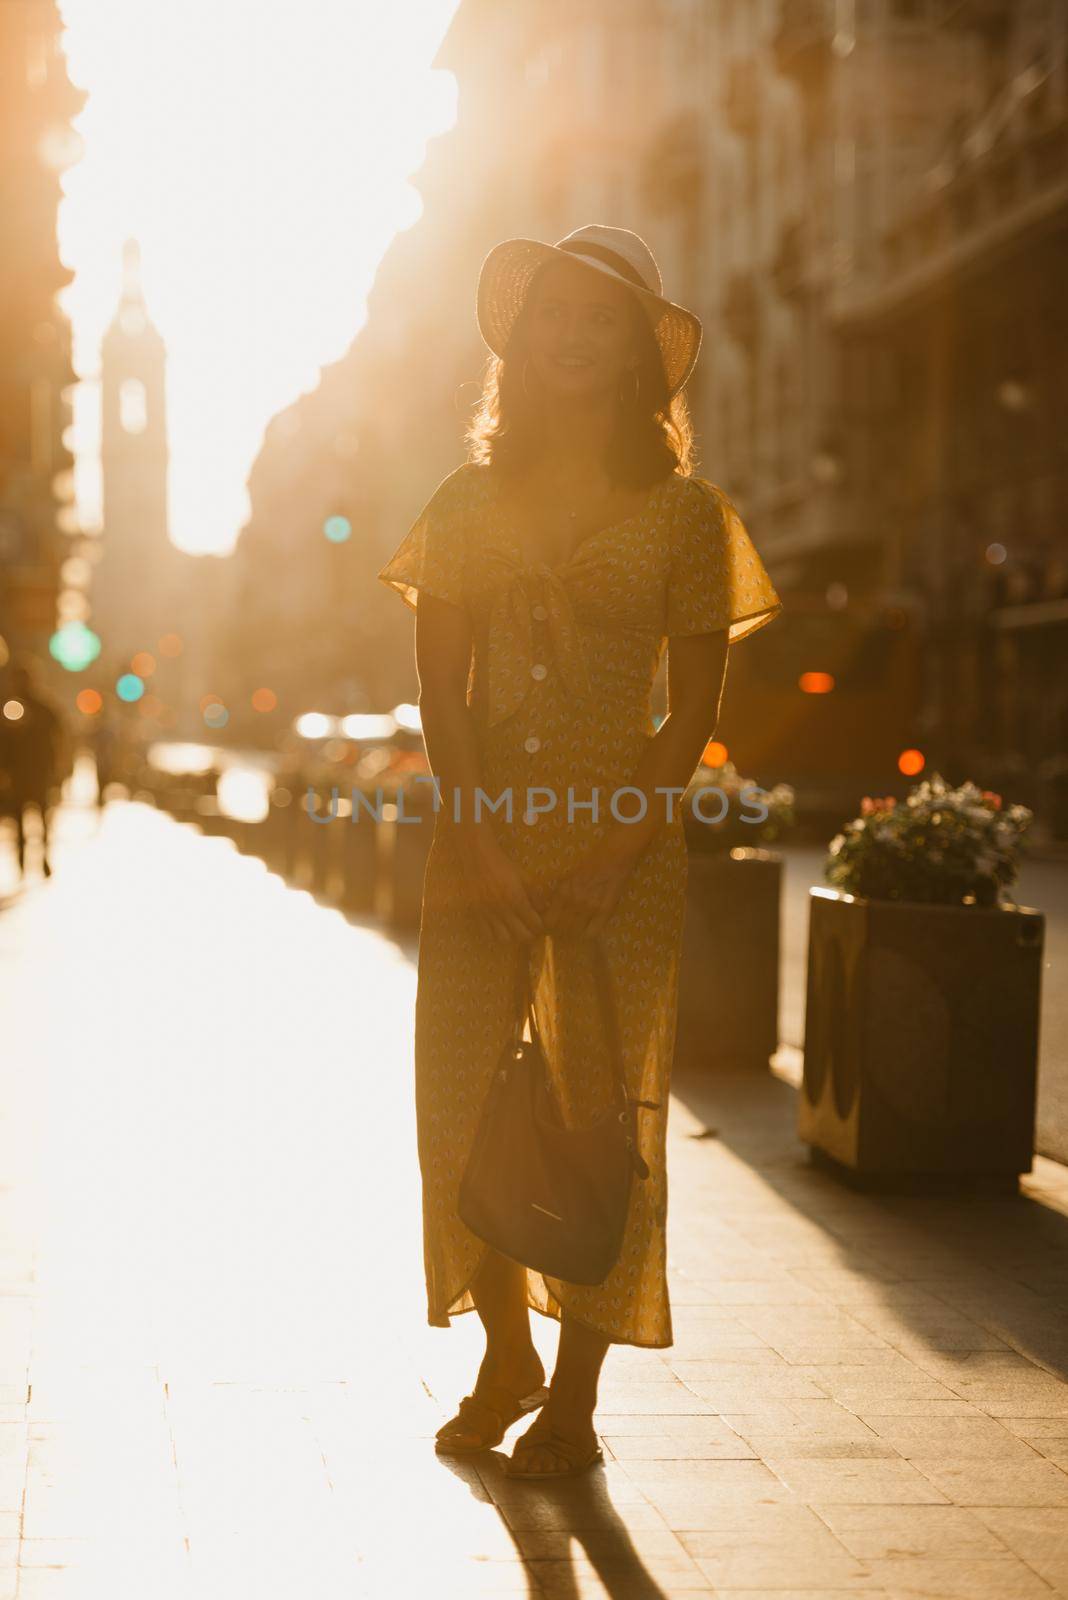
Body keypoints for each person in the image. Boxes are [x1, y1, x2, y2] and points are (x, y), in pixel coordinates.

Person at [377, 224, 782, 1478]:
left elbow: (695, 712)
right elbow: (442, 695)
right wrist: (486, 845)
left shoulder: (684, 516)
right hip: (478, 851)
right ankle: (505, 1349)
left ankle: (574, 1400)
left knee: (603, 1115)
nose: (569, 333)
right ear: (520, 337)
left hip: (623, 859)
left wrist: (621, 845)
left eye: (597, 319)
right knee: (461, 1102)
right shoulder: (462, 503)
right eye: (551, 310)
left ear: (637, 359)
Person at [0, 663, 67, 878]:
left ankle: (38, 859)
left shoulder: (30, 708)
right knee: (29, 818)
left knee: (36, 817)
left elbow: (59, 740)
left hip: (36, 772)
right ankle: (30, 860)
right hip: (28, 772)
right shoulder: (14, 707)